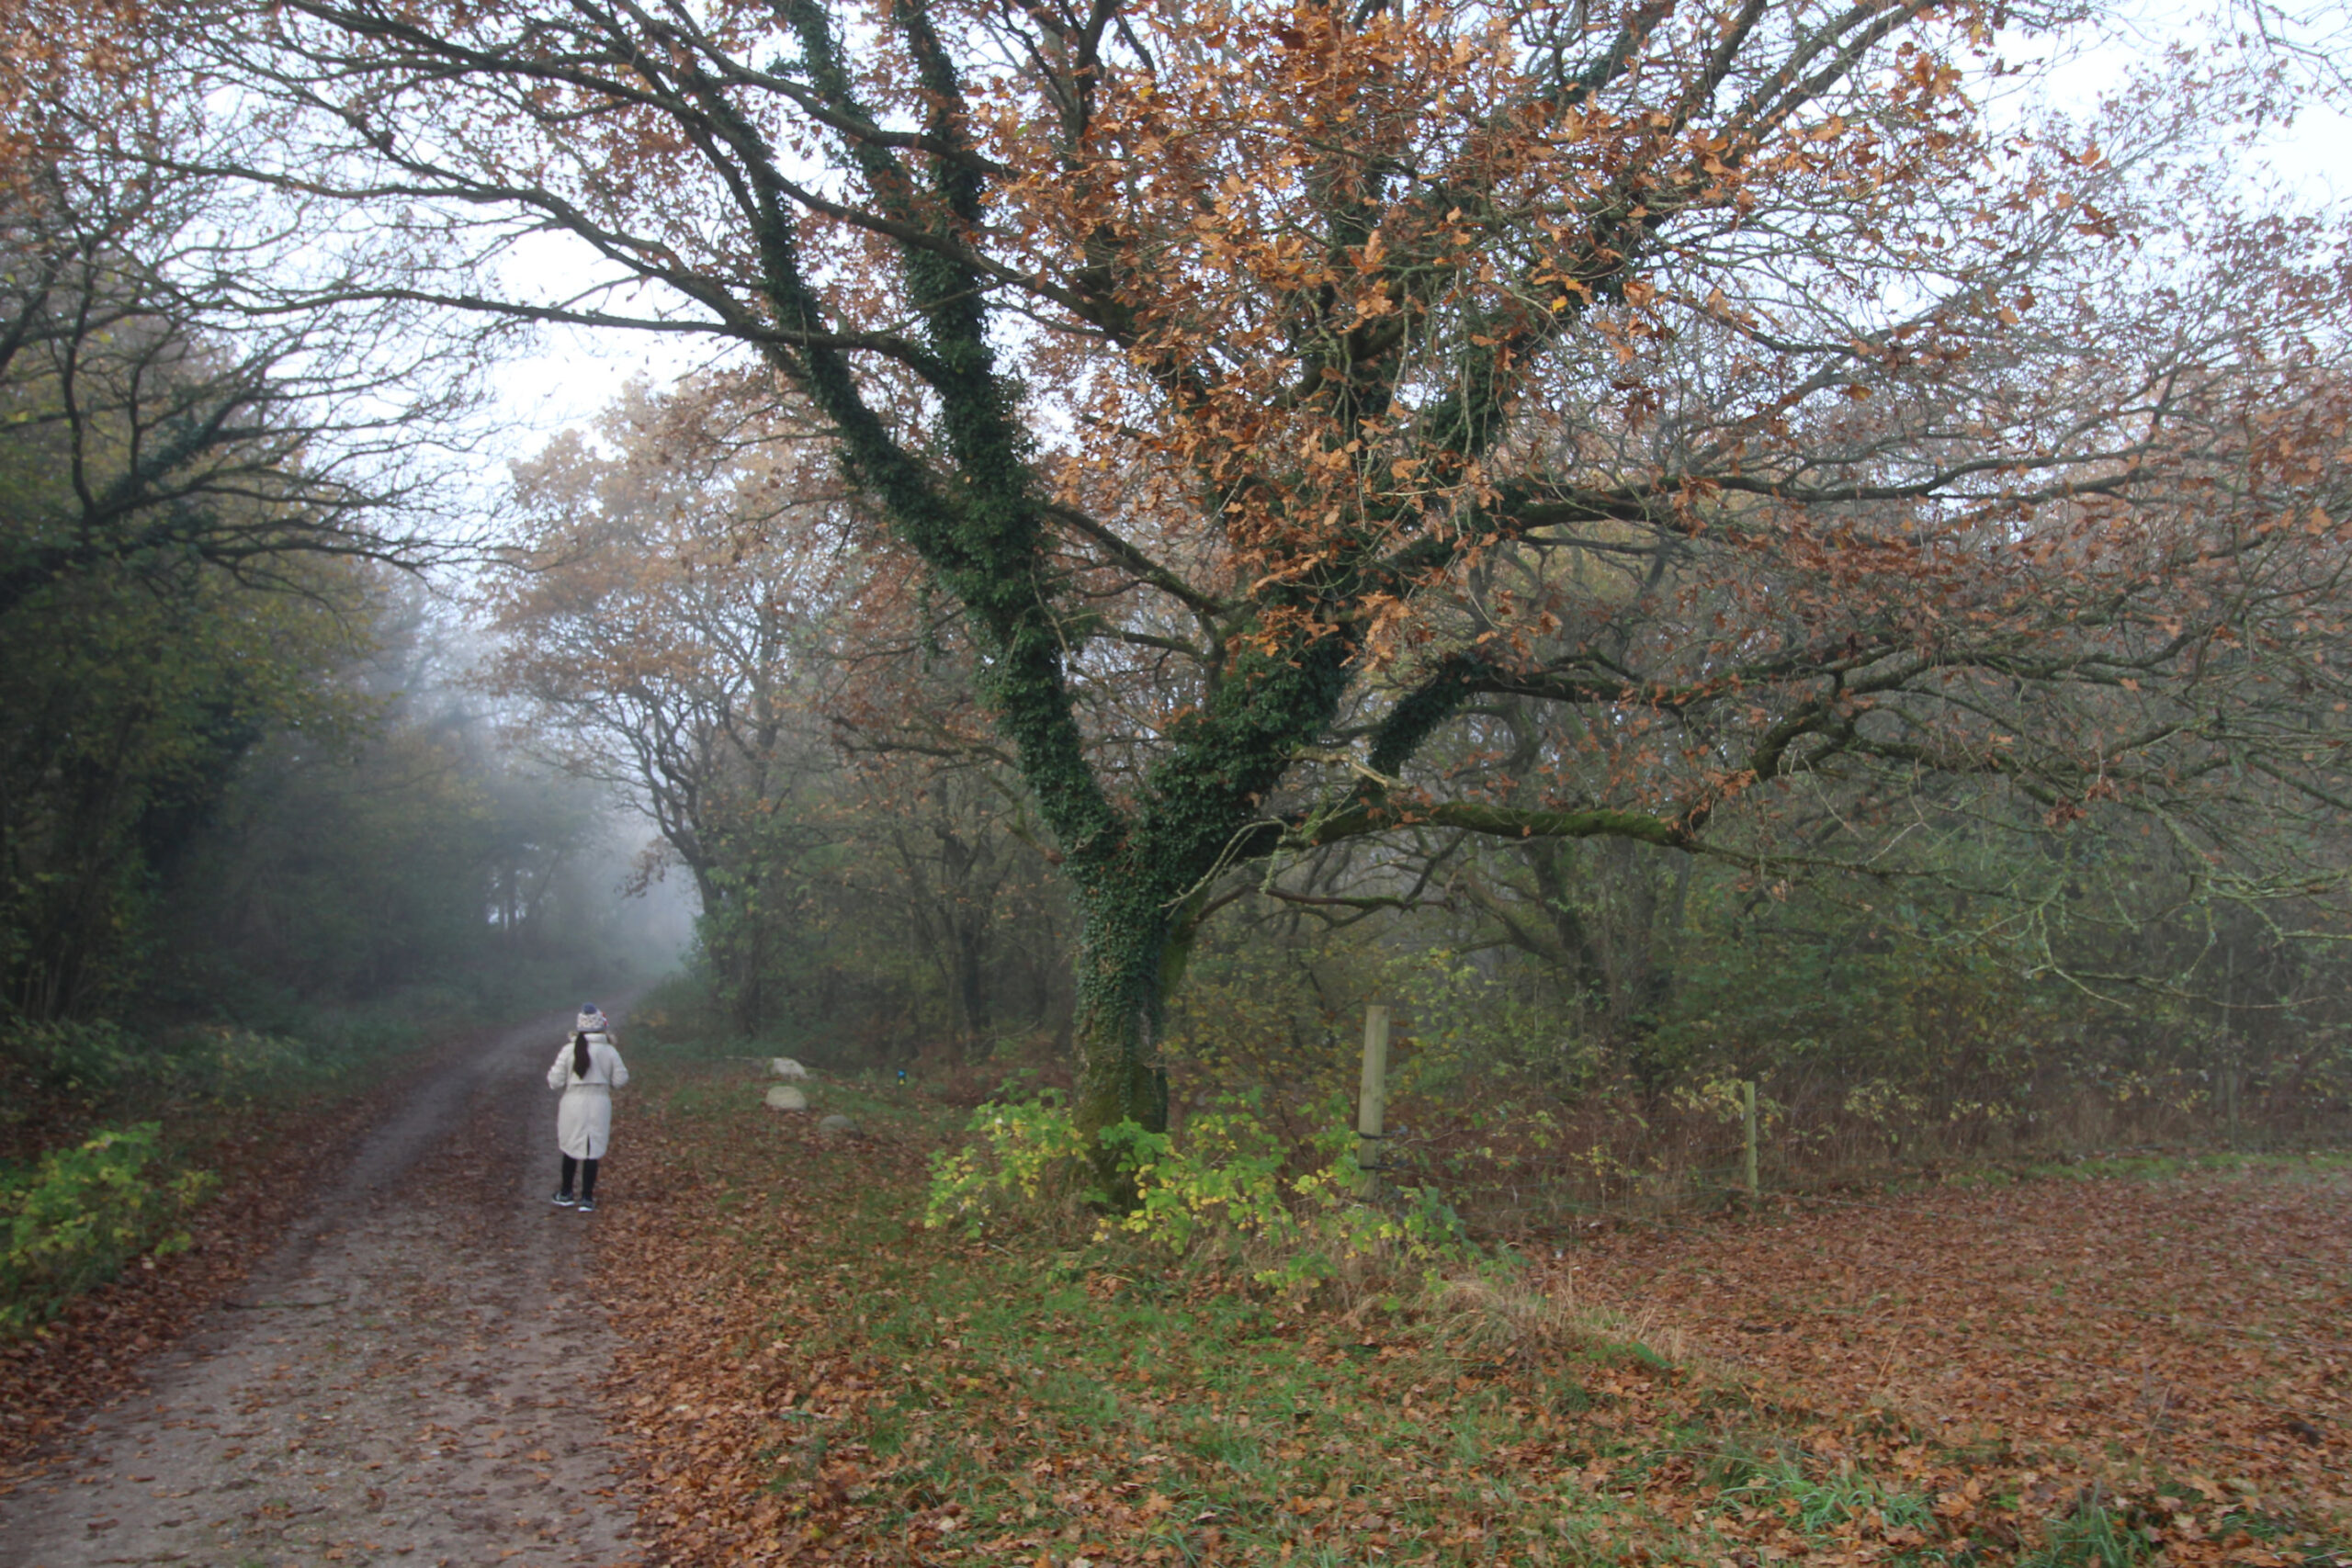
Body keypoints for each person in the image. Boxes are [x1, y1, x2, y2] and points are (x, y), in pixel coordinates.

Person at [548, 1005, 628, 1213]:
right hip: (599, 1101)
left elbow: (555, 1081)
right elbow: (621, 1079)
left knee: (570, 1146)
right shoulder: (609, 1050)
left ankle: (566, 1193)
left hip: (573, 1101)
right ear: (601, 1027)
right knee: (593, 1148)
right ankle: (587, 1197)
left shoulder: (568, 1050)